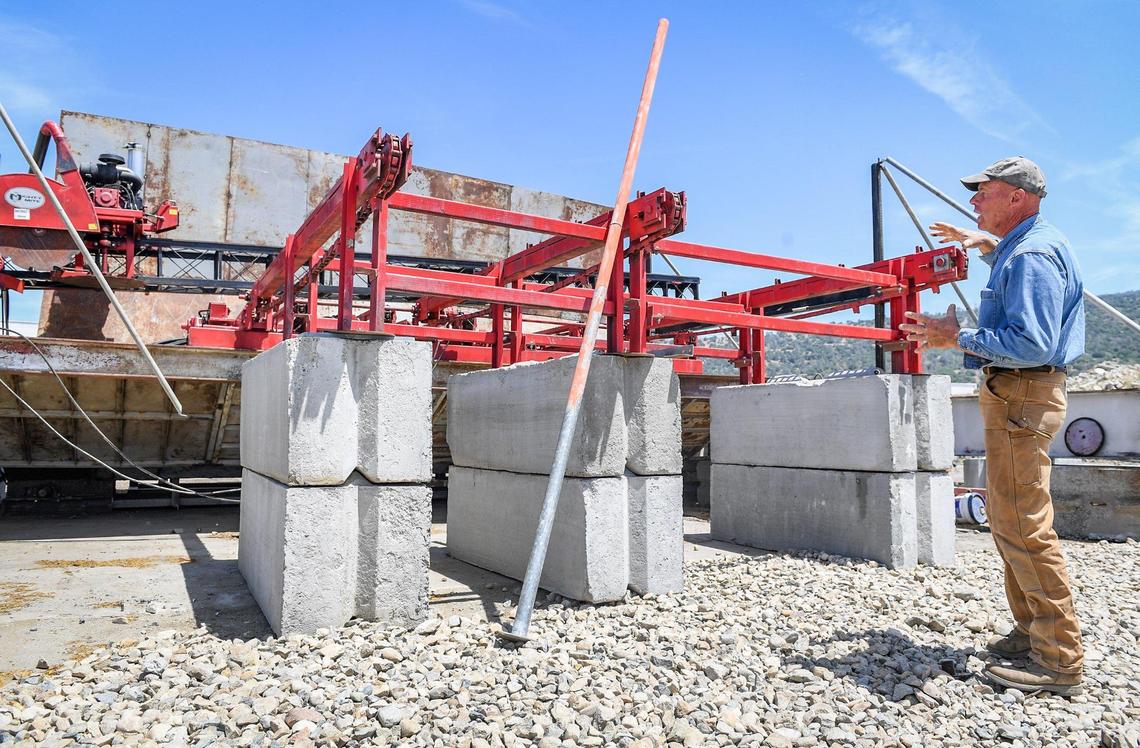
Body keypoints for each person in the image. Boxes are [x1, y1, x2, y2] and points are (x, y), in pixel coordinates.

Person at [898, 156, 1086, 695]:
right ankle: (1031, 631)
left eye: (985, 191)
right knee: (1007, 519)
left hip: (1022, 395)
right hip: (1019, 397)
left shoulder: (1030, 256)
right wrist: (984, 243)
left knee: (1025, 524)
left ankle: (1058, 662)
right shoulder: (1024, 247)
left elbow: (1032, 343)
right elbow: (1017, 298)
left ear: (1017, 198)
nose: (975, 200)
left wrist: (952, 337)